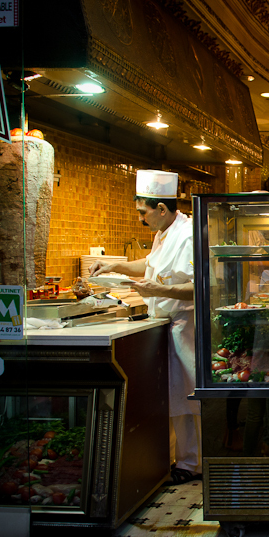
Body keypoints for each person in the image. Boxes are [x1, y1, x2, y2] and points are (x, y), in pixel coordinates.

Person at [90, 170, 201, 485]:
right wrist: (117, 266)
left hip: (185, 325)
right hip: (166, 324)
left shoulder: (188, 234)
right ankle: (177, 458)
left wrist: (159, 291)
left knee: (186, 394)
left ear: (161, 209)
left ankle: (192, 463)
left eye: (143, 212)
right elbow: (151, 263)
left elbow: (201, 286)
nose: (140, 219)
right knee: (174, 394)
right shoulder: (164, 231)